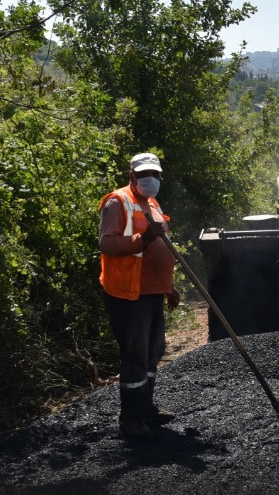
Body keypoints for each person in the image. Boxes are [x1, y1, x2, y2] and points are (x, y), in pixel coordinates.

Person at [98, 152, 181, 439]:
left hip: (153, 291)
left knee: (154, 351)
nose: (151, 179)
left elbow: (162, 247)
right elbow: (107, 244)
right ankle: (130, 419)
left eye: (155, 174)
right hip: (129, 293)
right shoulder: (117, 202)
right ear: (132, 175)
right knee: (135, 354)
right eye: (145, 174)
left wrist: (168, 284)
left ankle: (146, 408)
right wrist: (142, 239)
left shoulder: (153, 203)